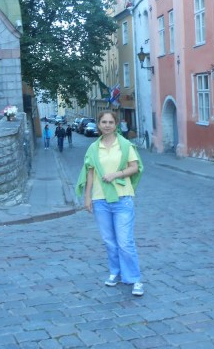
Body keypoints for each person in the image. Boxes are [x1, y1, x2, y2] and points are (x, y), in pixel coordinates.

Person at [75, 110, 145, 297]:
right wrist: (87, 197)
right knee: (109, 242)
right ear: (99, 124)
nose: (107, 125)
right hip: (100, 200)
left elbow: (135, 167)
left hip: (123, 198)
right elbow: (90, 173)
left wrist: (116, 174)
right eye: (104, 122)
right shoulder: (93, 148)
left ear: (116, 124)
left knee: (125, 242)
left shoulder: (125, 145)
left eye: (110, 122)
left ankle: (135, 279)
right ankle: (116, 272)